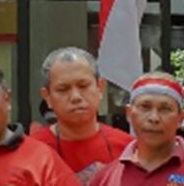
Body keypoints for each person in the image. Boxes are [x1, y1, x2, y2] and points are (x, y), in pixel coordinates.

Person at [29, 48, 133, 177]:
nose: (75, 97)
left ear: (100, 88)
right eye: (63, 89)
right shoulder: (30, 152)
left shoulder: (129, 149)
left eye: (83, 86)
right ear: (47, 97)